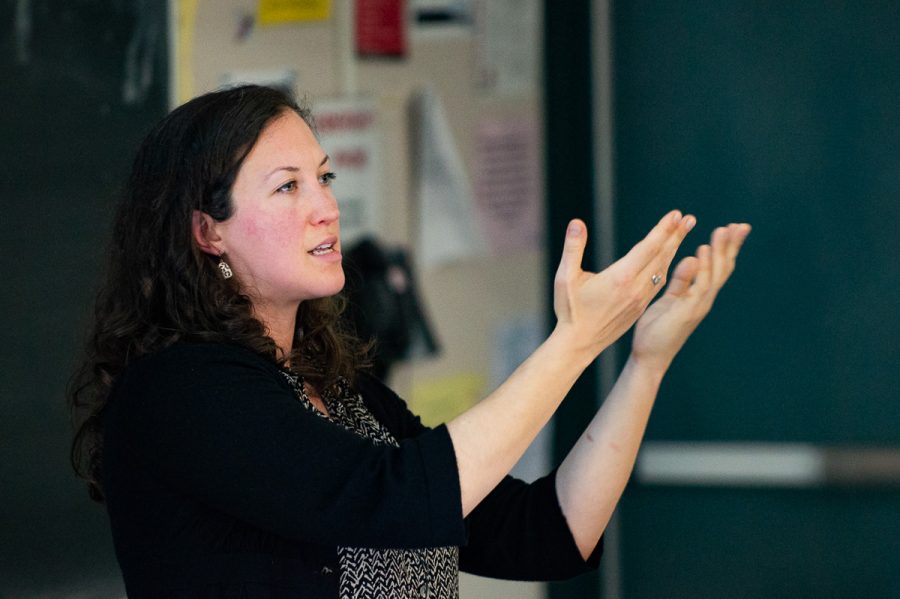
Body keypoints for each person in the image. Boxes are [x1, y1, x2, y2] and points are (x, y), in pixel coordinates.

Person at [68, 85, 751, 598]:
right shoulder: (182, 390)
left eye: (325, 177)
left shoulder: (336, 388)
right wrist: (572, 344)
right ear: (207, 231)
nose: (326, 205)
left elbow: (549, 531)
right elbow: (392, 500)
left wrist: (644, 361)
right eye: (288, 187)